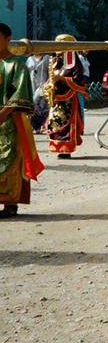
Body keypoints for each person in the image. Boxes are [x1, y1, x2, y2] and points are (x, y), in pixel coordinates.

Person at [0, 23, 45, 218]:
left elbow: (21, 93)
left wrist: (3, 113)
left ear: (8, 39)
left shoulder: (16, 65)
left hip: (10, 121)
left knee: (9, 161)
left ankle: (10, 204)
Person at [45, 35, 88, 158]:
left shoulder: (75, 63)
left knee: (66, 124)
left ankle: (66, 149)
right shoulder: (56, 61)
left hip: (68, 97)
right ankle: (57, 147)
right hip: (57, 98)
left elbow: (78, 80)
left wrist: (62, 78)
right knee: (54, 123)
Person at [25, 53, 49, 133]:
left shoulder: (46, 58)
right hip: (32, 85)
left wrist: (48, 84)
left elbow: (50, 72)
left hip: (43, 85)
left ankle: (42, 125)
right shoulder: (29, 59)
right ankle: (35, 127)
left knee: (43, 106)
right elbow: (26, 72)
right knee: (33, 105)